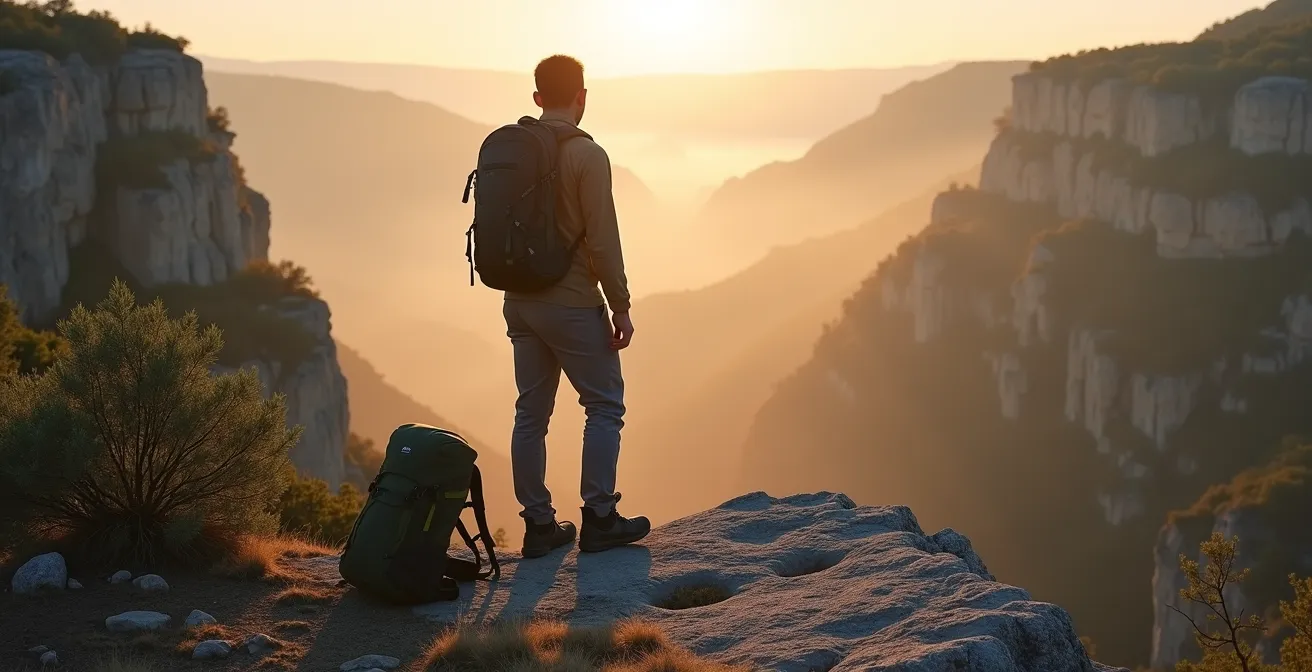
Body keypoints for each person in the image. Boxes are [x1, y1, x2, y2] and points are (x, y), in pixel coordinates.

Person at [504, 55, 651, 558]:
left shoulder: (518, 149)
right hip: (568, 303)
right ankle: (600, 516)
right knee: (605, 404)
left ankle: (539, 526)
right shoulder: (588, 156)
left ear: (538, 98)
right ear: (583, 96)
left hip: (519, 302)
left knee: (531, 414)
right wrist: (621, 305)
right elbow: (603, 241)